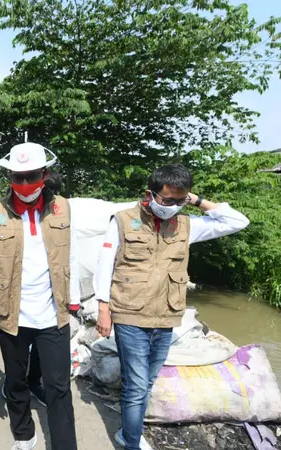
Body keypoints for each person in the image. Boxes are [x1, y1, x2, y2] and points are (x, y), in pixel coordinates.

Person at [93, 164, 250, 450]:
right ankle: (131, 441)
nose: (173, 207)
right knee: (139, 384)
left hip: (167, 314)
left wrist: (198, 201)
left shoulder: (187, 225)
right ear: (150, 194)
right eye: (167, 200)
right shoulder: (123, 221)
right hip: (129, 312)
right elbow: (105, 267)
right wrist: (103, 309)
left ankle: (128, 428)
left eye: (181, 200)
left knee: (146, 381)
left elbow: (237, 221)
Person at [0, 142, 80, 450]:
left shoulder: (63, 207)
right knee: (16, 382)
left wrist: (73, 307)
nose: (24, 184)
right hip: (12, 316)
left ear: (44, 174)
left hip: (52, 315)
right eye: (17, 177)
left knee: (59, 387)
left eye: (31, 176)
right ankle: (24, 435)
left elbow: (70, 257)